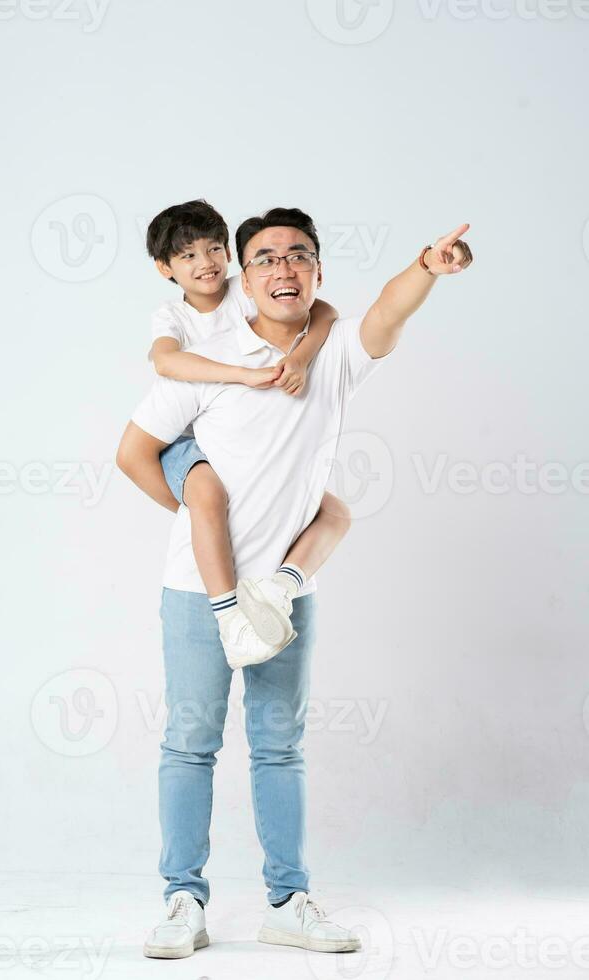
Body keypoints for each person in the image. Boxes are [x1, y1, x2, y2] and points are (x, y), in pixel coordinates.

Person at [116, 207, 473, 959]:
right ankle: (183, 900)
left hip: (283, 595)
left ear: (315, 271)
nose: (284, 268)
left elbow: (384, 313)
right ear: (247, 278)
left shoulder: (336, 349)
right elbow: (137, 453)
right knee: (190, 744)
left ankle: (288, 899)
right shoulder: (210, 354)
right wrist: (192, 510)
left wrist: (426, 267)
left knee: (279, 747)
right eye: (267, 258)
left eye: (300, 255)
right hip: (195, 589)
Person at [143, 199, 350, 669]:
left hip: (241, 440)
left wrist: (297, 359)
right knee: (207, 496)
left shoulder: (245, 289)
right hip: (187, 439)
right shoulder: (172, 318)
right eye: (188, 256)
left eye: (215, 249)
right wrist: (239, 374)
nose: (206, 263)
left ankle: (283, 584)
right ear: (165, 269)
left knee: (333, 510)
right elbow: (165, 362)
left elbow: (325, 310)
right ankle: (229, 615)